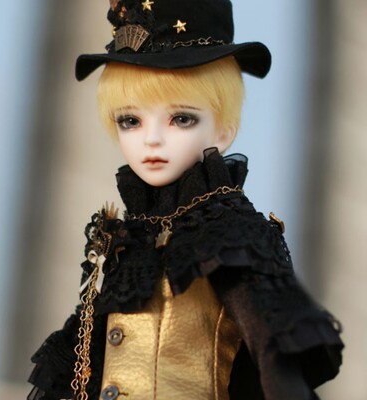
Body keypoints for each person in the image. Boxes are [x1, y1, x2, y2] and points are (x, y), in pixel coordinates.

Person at [27, 1, 343, 399]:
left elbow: (275, 360)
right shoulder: (130, 240)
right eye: (130, 120)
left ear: (223, 130)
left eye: (181, 118)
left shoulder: (230, 238)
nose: (152, 140)